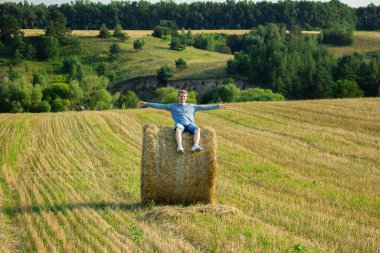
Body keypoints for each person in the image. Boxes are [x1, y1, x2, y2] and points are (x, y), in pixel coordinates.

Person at [138, 89, 226, 153]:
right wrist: (147, 104)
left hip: (190, 124)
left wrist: (217, 106)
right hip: (180, 124)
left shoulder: (192, 106)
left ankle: (195, 145)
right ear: (178, 97)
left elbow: (205, 107)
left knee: (197, 129)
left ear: (186, 97)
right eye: (181, 96)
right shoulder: (173, 106)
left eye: (184, 96)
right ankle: (179, 147)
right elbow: (160, 105)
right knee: (178, 129)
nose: (182, 98)